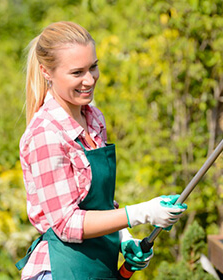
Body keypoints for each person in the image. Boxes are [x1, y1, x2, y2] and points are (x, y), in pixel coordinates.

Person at [16, 21, 187, 280]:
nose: (89, 80)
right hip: (62, 269)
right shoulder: (46, 134)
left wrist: (123, 238)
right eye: (77, 73)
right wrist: (139, 213)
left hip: (100, 265)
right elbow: (65, 224)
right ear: (46, 72)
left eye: (93, 67)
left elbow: (97, 202)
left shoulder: (94, 118)